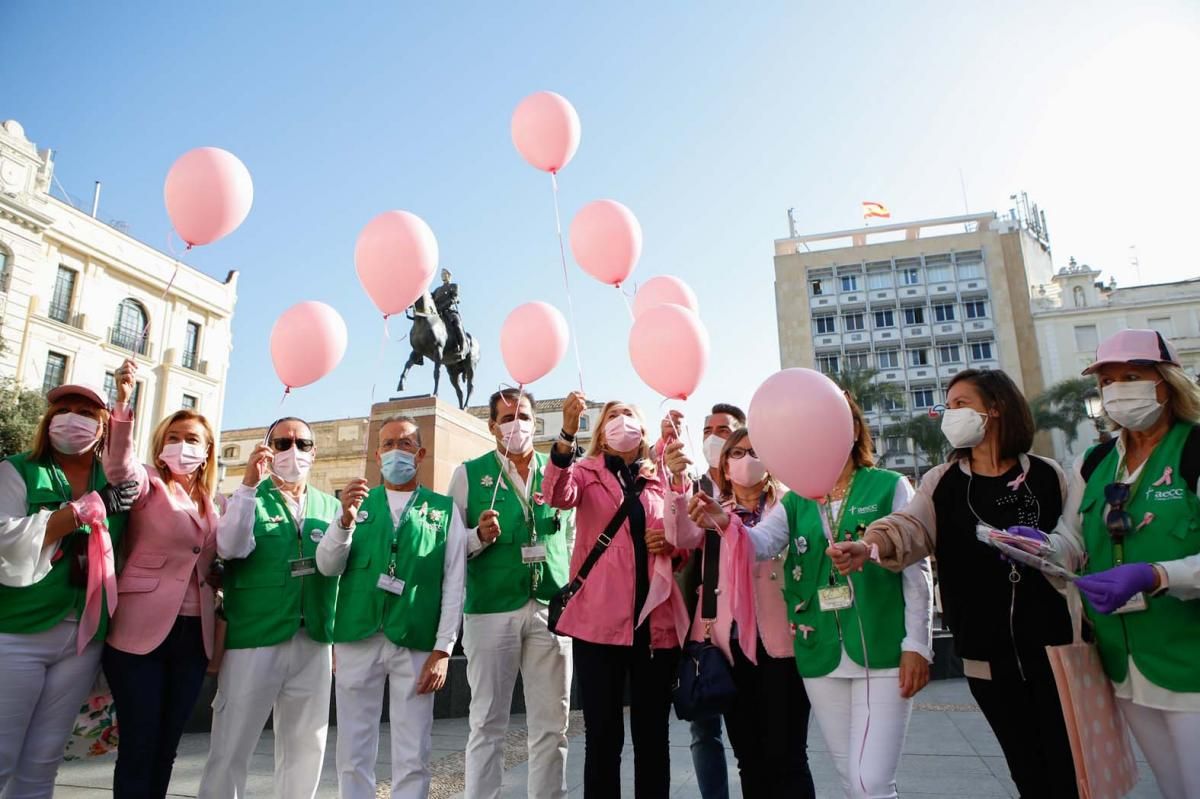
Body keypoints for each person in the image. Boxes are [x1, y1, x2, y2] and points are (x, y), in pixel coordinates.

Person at [828, 369, 1079, 798]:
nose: (950, 412)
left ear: (995, 408)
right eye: (948, 405)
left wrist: (1047, 549)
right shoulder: (942, 482)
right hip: (986, 654)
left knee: (1069, 768)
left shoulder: (1048, 474)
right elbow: (907, 527)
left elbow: (1075, 544)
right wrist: (869, 546)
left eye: (961, 403)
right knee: (1026, 769)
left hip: (1055, 649)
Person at [702, 394, 932, 799]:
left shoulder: (888, 486)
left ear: (852, 428)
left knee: (872, 781)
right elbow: (759, 545)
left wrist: (918, 644)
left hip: (882, 649)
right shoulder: (798, 499)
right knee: (850, 777)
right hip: (820, 653)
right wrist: (725, 523)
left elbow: (916, 569)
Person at [1046, 330, 1200, 798]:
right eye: (1108, 381)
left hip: (1188, 659)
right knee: (1173, 786)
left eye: (1132, 376)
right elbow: (1071, 538)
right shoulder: (1093, 461)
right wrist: (1040, 547)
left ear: (1166, 382)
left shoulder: (1194, 448)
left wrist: (1157, 574)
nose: (1118, 389)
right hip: (1125, 662)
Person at [544, 392, 690, 799]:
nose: (621, 420)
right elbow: (556, 495)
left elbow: (685, 542)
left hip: (653, 625)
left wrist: (671, 545)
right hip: (598, 627)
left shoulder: (661, 477)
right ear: (602, 434)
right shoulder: (584, 470)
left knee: (652, 740)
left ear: (643, 430)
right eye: (612, 416)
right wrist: (567, 432)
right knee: (603, 740)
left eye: (628, 414)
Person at [318, 416, 467, 799]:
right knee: (353, 747)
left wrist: (443, 649)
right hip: (357, 636)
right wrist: (344, 524)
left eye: (404, 443)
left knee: (413, 750)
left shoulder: (445, 510)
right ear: (377, 453)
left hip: (415, 641)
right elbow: (327, 565)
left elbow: (454, 583)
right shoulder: (356, 505)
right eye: (387, 444)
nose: (394, 451)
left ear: (420, 453)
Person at [664, 427, 816, 799]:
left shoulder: (790, 506)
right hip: (730, 650)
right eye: (737, 453)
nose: (746, 459)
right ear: (724, 468)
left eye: (754, 451)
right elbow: (680, 536)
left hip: (784, 645)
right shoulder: (714, 511)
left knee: (789, 754)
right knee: (750, 756)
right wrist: (678, 482)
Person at [0, 381, 135, 797]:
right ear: (49, 419)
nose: (73, 418)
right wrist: (83, 510)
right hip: (18, 631)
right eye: (64, 409)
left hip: (83, 636)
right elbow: (5, 537)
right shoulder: (17, 468)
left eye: (86, 413)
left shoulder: (117, 480)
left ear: (102, 427)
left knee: (44, 759)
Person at [198, 416, 342, 799]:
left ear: (314, 451)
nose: (293, 451)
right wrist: (247, 483)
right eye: (282, 443)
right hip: (255, 637)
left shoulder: (331, 506)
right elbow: (229, 547)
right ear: (267, 449)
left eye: (303, 444)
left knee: (306, 747)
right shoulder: (245, 498)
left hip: (313, 638)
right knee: (231, 745)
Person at [101, 359, 220, 798]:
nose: (182, 445)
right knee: (139, 742)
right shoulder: (148, 481)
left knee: (168, 747)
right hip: (139, 634)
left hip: (194, 637)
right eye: (174, 437)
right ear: (159, 445)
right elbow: (118, 468)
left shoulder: (213, 501)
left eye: (192, 440)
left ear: (207, 451)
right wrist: (123, 405)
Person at [448, 389, 573, 799]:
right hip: (490, 611)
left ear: (535, 421)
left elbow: (572, 538)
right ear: (492, 426)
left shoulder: (559, 471)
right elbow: (450, 549)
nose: (515, 424)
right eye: (506, 417)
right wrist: (478, 537)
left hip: (550, 609)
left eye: (522, 415)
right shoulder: (469, 474)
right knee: (486, 723)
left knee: (552, 725)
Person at [673, 403, 744, 799]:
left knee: (751, 728)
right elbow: (679, 540)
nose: (714, 437)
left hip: (748, 624)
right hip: (703, 622)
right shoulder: (692, 487)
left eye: (724, 429)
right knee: (704, 729)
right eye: (707, 429)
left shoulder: (757, 485)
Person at [432, 268, 465, 361]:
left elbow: (454, 298)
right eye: (441, 274)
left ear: (449, 275)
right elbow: (429, 298)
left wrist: (442, 307)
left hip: (450, 312)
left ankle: (462, 349)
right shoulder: (437, 290)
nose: (442, 275)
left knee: (457, 326)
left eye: (444, 273)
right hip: (438, 314)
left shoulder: (454, 286)